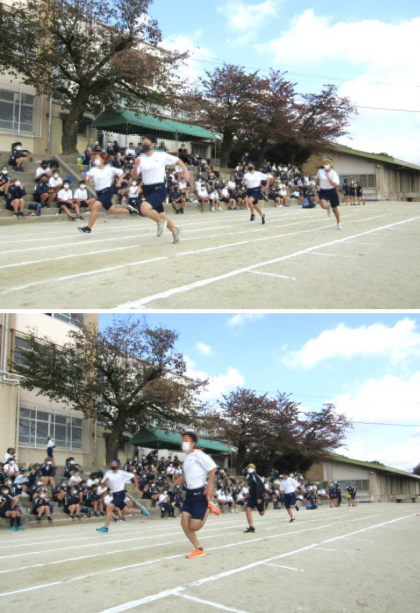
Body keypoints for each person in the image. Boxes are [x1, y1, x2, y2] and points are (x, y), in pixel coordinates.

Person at [133, 135, 189, 243]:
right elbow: (135, 176)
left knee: (144, 208)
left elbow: (177, 160)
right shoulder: (140, 159)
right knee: (162, 214)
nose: (144, 145)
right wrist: (135, 167)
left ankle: (160, 222)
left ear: (153, 144)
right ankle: (175, 231)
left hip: (159, 188)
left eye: (146, 143)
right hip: (148, 189)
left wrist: (185, 170)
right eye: (143, 143)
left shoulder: (161, 155)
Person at [173, 431, 220, 559]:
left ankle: (209, 508)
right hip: (189, 494)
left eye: (186, 441)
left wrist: (209, 485)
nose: (184, 443)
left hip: (200, 494)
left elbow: (212, 468)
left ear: (193, 443)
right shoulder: (187, 458)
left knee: (194, 527)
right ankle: (198, 548)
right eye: (183, 441)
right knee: (184, 523)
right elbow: (190, 474)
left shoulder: (198, 454)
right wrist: (179, 480)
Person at [78, 152, 138, 234]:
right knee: (113, 210)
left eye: (98, 158)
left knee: (94, 206)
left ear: (103, 159)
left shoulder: (109, 169)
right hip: (99, 193)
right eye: (95, 158)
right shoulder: (93, 170)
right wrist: (88, 179)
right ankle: (129, 210)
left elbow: (122, 173)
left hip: (107, 191)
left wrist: (119, 182)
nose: (96, 159)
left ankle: (88, 228)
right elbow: (87, 182)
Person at [96, 459, 149, 533]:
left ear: (118, 465)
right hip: (115, 494)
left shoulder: (122, 473)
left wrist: (136, 487)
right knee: (125, 510)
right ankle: (141, 511)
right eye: (111, 463)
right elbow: (102, 486)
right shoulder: (108, 473)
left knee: (109, 507)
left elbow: (134, 477)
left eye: (114, 463)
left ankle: (106, 527)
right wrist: (105, 481)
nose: (112, 464)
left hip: (120, 494)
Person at [315, 159, 342, 230]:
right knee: (323, 205)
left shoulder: (333, 173)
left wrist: (328, 178)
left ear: (330, 165)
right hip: (323, 190)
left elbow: (335, 184)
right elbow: (317, 178)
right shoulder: (320, 171)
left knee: (335, 209)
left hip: (331, 190)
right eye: (324, 164)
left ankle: (338, 222)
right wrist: (316, 185)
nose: (326, 165)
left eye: (327, 164)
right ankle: (328, 208)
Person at [243, 464, 266, 533]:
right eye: (248, 467)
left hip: (258, 496)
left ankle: (264, 504)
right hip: (252, 497)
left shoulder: (256, 476)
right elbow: (250, 486)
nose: (249, 468)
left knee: (261, 513)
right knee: (247, 509)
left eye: (251, 467)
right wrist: (248, 493)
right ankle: (251, 527)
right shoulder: (248, 476)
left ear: (254, 469)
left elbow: (260, 486)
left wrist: (259, 497)